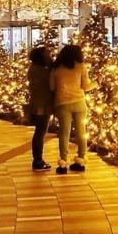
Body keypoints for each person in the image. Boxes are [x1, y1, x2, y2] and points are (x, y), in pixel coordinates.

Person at [49, 44, 95, 175]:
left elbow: (52, 88)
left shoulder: (56, 69)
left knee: (64, 133)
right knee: (81, 132)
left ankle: (63, 163)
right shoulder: (81, 67)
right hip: (79, 103)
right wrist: (97, 82)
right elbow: (86, 86)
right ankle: (80, 160)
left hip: (62, 103)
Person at [27, 46, 53, 171]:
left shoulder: (33, 68)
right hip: (42, 105)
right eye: (48, 53)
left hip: (36, 103)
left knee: (39, 132)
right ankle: (37, 161)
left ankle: (37, 160)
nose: (50, 55)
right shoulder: (43, 70)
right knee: (40, 133)